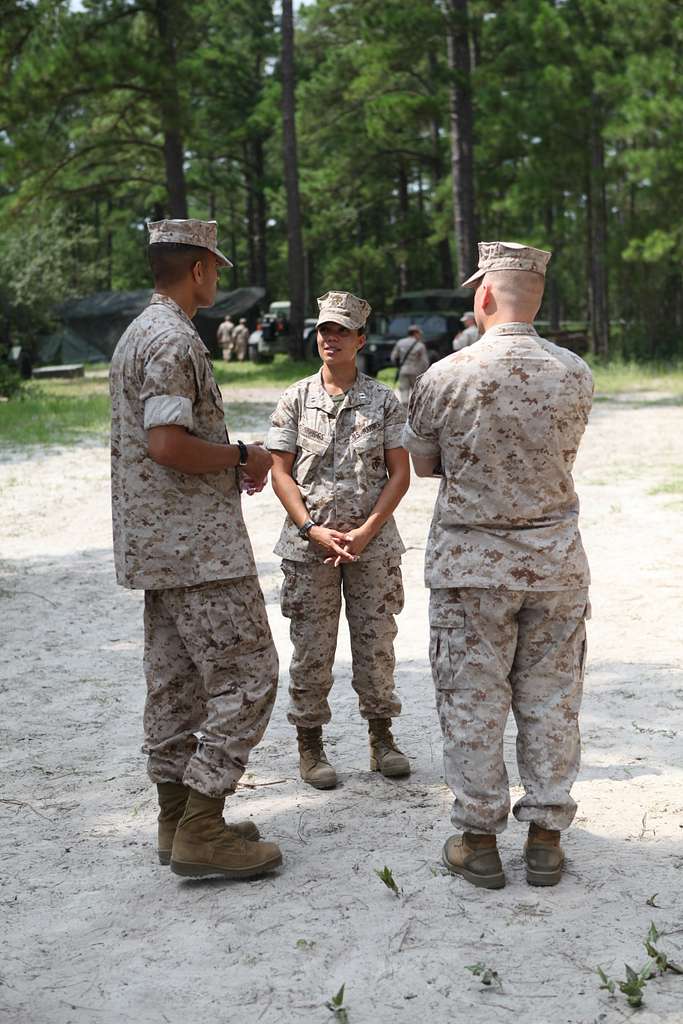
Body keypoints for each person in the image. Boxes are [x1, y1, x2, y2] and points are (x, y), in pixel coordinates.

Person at [403, 241, 593, 890]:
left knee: (472, 702)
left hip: (470, 568)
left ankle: (478, 840)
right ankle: (544, 839)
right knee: (550, 702)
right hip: (554, 566)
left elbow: (424, 465)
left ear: (483, 296)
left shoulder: (444, 376)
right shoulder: (574, 373)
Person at [109, 218, 282, 880]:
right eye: (217, 267)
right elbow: (168, 443)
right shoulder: (172, 339)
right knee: (249, 674)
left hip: (162, 546)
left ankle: (174, 818)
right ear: (200, 268)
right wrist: (243, 454)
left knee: (177, 684)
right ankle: (203, 825)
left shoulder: (138, 332)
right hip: (196, 549)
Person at [266, 290, 411, 789]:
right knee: (311, 647)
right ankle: (310, 746)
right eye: (325, 330)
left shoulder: (384, 400)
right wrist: (311, 528)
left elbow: (399, 473)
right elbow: (279, 474)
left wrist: (369, 529)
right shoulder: (295, 399)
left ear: (360, 339)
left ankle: (382, 738)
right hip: (311, 548)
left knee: (376, 643)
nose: (330, 338)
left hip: (372, 545)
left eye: (341, 331)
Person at [390, 324, 430, 408]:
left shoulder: (400, 342)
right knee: (417, 392)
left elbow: (393, 357)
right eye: (419, 334)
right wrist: (425, 373)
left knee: (404, 391)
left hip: (403, 370)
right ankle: (415, 411)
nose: (420, 336)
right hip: (416, 372)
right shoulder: (420, 345)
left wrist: (399, 366)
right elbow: (425, 362)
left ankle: (405, 411)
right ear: (415, 333)